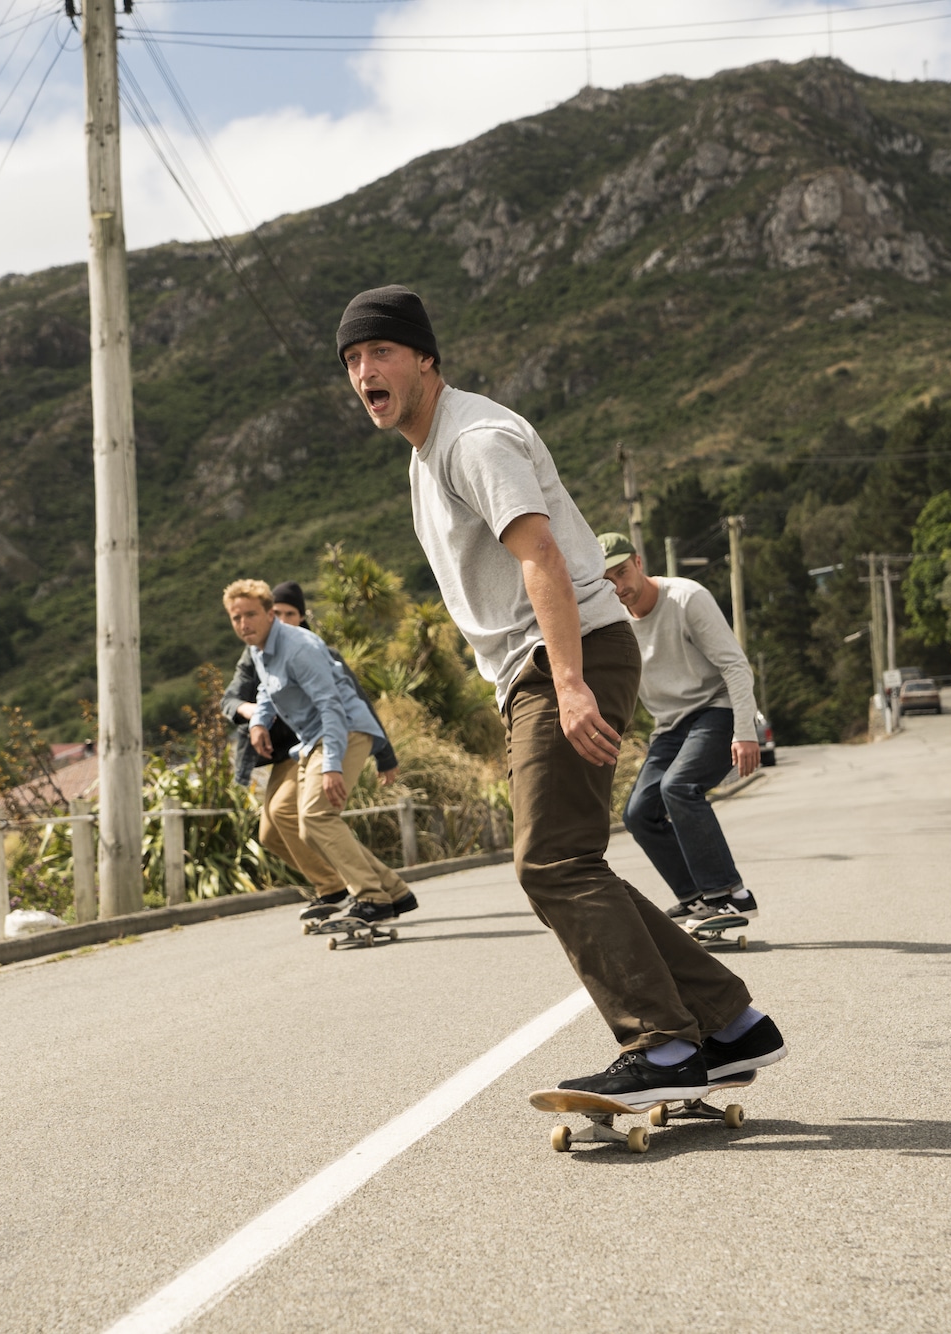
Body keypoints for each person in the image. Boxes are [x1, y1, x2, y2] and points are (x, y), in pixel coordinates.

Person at [336, 284, 785, 1104]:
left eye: (382, 352)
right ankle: (728, 1024)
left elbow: (539, 553)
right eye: (353, 359)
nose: (365, 371)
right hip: (543, 666)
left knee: (551, 861)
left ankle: (663, 1044)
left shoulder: (473, 438)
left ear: (426, 358)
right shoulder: (426, 454)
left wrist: (569, 683)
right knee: (565, 859)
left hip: (565, 656)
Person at [223, 578, 418, 925]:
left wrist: (331, 766)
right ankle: (394, 891)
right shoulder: (259, 649)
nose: (243, 624)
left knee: (316, 816)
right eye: (236, 618)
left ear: (269, 614)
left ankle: (372, 898)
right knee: (307, 827)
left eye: (250, 615)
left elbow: (332, 705)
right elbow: (268, 691)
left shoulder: (299, 646)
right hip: (314, 737)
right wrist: (258, 723)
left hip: (345, 731)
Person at [596, 531, 762, 924]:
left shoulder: (687, 598)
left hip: (716, 710)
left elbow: (735, 666)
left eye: (622, 572)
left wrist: (745, 731)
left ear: (639, 563)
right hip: (670, 727)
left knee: (678, 787)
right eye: (608, 581)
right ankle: (698, 898)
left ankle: (732, 895)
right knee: (639, 814)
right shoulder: (614, 623)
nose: (619, 586)